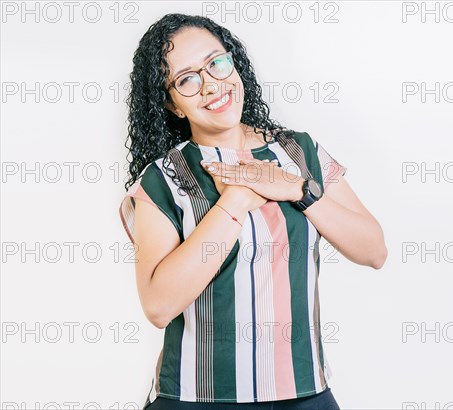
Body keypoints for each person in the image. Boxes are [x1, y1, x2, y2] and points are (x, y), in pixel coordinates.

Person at [118, 13, 387, 410]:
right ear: (172, 104)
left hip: (305, 392)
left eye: (216, 62)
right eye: (187, 79)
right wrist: (236, 199)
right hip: (197, 398)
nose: (211, 84)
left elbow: (374, 251)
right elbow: (158, 306)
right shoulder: (161, 181)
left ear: (234, 62)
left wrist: (295, 188)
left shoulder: (299, 152)